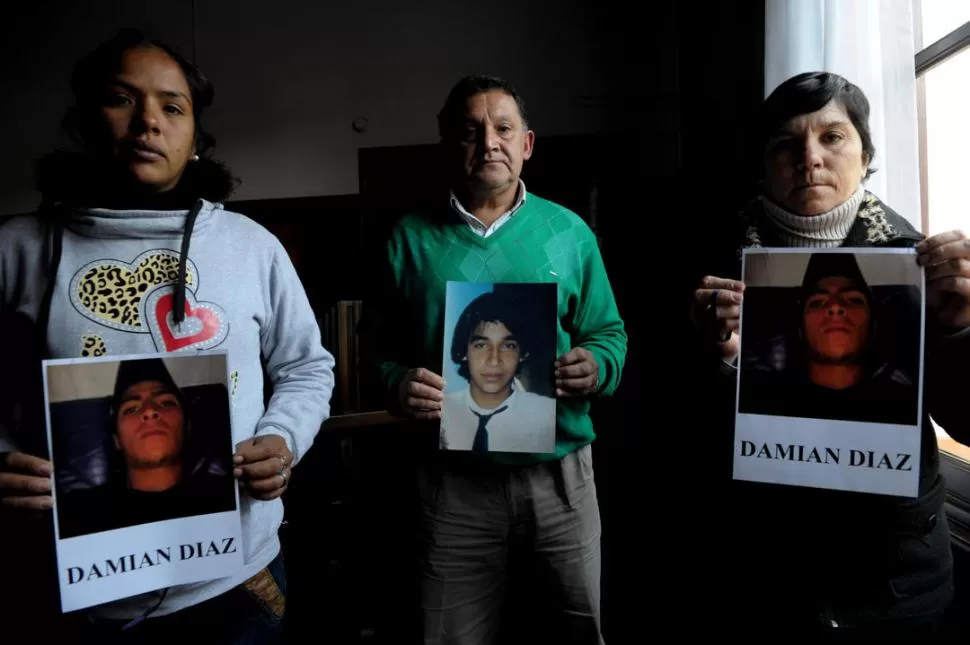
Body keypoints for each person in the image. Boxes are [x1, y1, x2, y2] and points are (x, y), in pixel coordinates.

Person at [0, 29, 334, 642]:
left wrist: (281, 439)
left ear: (195, 138)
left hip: (237, 588)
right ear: (82, 121)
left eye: (171, 106)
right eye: (122, 99)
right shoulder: (15, 249)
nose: (148, 121)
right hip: (74, 600)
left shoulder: (252, 246)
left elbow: (307, 367)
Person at [690, 71, 970, 639]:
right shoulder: (710, 263)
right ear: (765, 163)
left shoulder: (914, 261)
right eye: (787, 144)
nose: (809, 158)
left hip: (895, 580)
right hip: (760, 574)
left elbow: (966, 418)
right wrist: (718, 360)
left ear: (866, 153)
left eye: (832, 138)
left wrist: (961, 328)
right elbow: (674, 434)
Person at [360, 74, 627, 644]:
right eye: (471, 131)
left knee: (576, 628)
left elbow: (608, 334)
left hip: (559, 476)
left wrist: (597, 366)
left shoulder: (569, 232)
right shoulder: (408, 239)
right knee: (451, 634)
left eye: (503, 129)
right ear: (447, 143)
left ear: (526, 143)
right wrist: (397, 382)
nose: (489, 143)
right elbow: (375, 350)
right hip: (451, 483)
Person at [56, 357, 236, 539]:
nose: (149, 411)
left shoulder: (231, 494)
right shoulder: (75, 512)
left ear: (187, 428)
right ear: (116, 439)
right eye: (131, 409)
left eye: (166, 402)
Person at [738, 251, 918, 426]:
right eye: (817, 302)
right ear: (800, 329)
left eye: (854, 300)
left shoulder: (906, 403)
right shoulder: (759, 396)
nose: (835, 307)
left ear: (873, 325)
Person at [441, 287, 557, 453]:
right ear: (463, 352)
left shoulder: (546, 414)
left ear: (523, 353)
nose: (494, 360)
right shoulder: (442, 411)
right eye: (481, 345)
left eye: (508, 346)